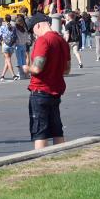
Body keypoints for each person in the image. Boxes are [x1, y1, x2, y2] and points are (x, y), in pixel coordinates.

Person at [26, 13, 71, 149]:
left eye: (32, 30)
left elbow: (37, 68)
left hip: (40, 90)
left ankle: (40, 160)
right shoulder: (62, 41)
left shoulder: (43, 40)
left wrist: (26, 68)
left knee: (40, 131)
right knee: (57, 129)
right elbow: (67, 69)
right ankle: (60, 156)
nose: (33, 35)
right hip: (55, 90)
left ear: (38, 25)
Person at [0, 16, 17, 81]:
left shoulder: (2, 27)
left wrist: (1, 42)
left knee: (8, 60)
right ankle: (2, 75)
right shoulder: (13, 27)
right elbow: (15, 36)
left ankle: (13, 75)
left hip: (5, 45)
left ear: (5, 20)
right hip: (12, 45)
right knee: (7, 60)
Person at [13, 15, 30, 79]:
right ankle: (25, 73)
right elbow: (26, 37)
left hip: (18, 45)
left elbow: (14, 36)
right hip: (24, 45)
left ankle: (20, 73)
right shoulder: (24, 29)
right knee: (23, 60)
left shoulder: (16, 29)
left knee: (19, 60)